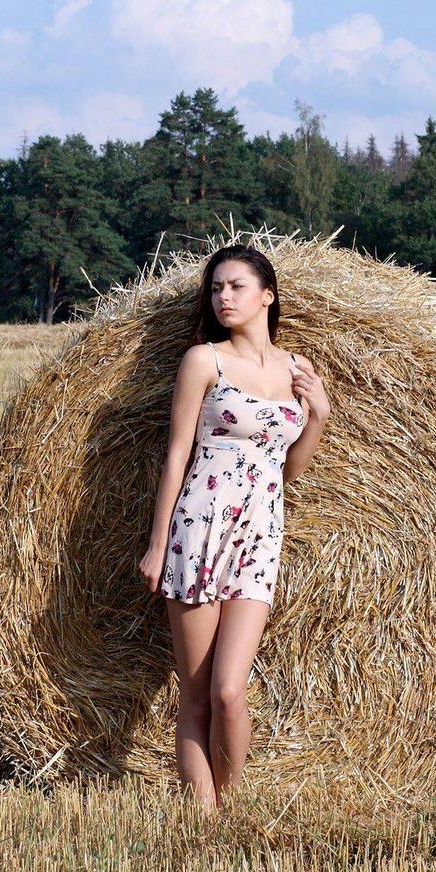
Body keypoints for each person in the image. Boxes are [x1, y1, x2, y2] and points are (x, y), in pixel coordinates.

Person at [138, 245, 329, 813]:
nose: (224, 297)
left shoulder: (296, 368)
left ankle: (233, 801)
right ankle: (204, 817)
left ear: (267, 295)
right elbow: (177, 456)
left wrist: (317, 415)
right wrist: (156, 544)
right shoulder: (205, 361)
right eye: (217, 288)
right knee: (196, 693)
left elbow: (287, 468)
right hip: (199, 529)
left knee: (230, 691)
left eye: (237, 286)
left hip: (260, 536)